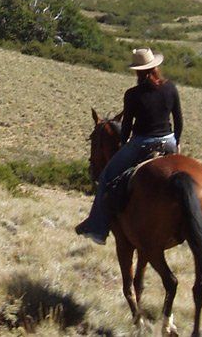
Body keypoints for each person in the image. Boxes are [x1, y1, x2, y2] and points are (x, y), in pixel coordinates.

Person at [75, 48, 183, 245]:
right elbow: (179, 120)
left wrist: (123, 144)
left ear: (137, 71)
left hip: (143, 142)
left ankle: (97, 228)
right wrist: (177, 143)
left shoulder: (132, 94)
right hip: (169, 140)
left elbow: (126, 127)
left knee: (107, 176)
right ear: (155, 66)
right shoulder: (171, 88)